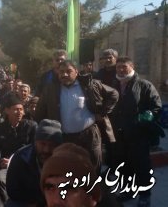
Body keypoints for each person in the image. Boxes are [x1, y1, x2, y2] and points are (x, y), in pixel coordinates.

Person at [35, 60, 118, 169]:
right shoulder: (50, 89)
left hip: (88, 136)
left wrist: (102, 113)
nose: (64, 74)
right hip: (62, 137)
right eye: (61, 72)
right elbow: (40, 111)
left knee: (91, 168)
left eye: (68, 71)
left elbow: (114, 94)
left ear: (76, 72)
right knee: (65, 168)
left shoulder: (90, 85)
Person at [109, 57, 162, 206]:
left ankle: (145, 194)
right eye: (118, 67)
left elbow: (156, 105)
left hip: (138, 134)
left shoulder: (144, 85)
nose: (120, 69)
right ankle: (129, 190)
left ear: (132, 67)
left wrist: (150, 114)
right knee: (124, 165)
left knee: (142, 166)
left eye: (124, 67)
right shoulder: (114, 84)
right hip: (119, 134)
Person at [0, 94, 37, 206]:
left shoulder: (31, 127)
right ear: (7, 111)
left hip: (27, 167)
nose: (20, 112)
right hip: (6, 169)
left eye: (21, 109)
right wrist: (0, 164)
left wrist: (12, 162)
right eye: (16, 109)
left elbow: (34, 151)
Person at [5, 119, 63, 207]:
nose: (46, 150)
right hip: (28, 201)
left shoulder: (66, 161)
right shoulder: (21, 157)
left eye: (51, 145)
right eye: (43, 144)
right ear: (35, 142)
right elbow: (12, 190)